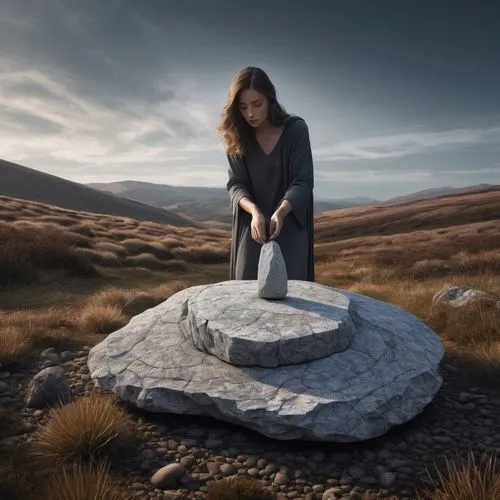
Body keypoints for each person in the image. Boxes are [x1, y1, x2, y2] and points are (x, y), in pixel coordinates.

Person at [217, 66, 315, 282]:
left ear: (270, 99)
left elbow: (303, 180)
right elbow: (235, 184)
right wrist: (254, 213)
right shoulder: (237, 136)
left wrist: (280, 212)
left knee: (294, 297)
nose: (250, 113)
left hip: (289, 227)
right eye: (243, 107)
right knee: (245, 294)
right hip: (253, 229)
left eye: (257, 104)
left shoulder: (296, 130)